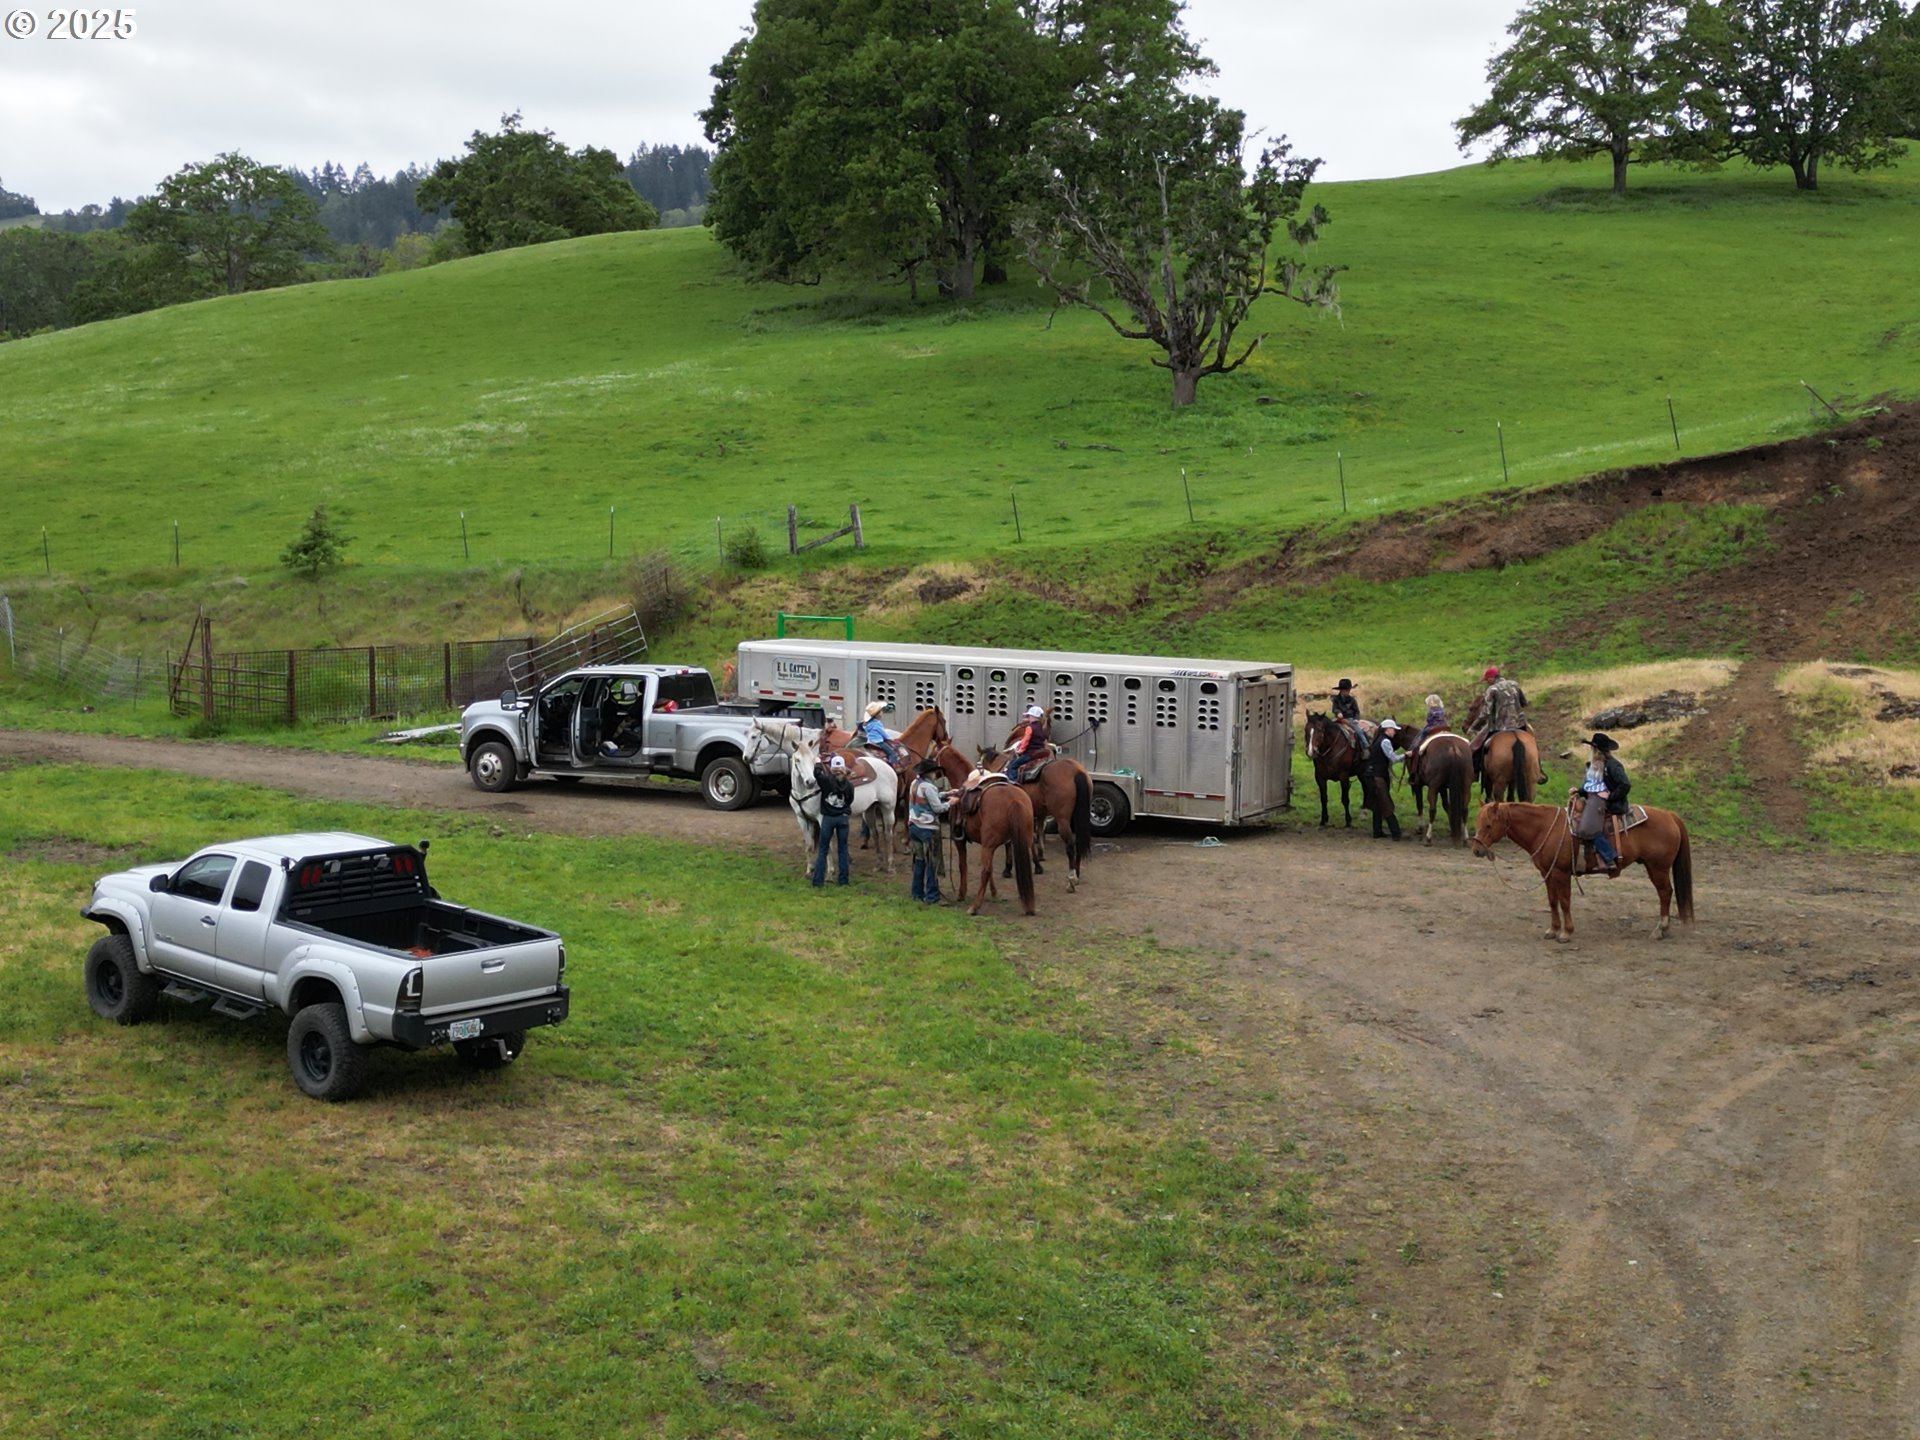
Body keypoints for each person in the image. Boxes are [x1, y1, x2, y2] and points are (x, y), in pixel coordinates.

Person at [1572, 733, 1629, 876]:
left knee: (1586, 828)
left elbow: (1625, 785)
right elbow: (1590, 786)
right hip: (1592, 798)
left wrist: (1610, 796)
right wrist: (1578, 791)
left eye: (1592, 748)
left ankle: (1609, 856)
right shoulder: (1592, 765)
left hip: (1603, 801)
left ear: (1597, 750)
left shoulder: (1613, 765)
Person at [907, 757, 952, 904]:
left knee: (919, 861)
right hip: (928, 829)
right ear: (930, 773)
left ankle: (916, 893)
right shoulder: (930, 787)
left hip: (914, 826)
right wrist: (950, 803)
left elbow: (926, 798)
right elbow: (938, 808)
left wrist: (946, 794)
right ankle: (932, 896)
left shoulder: (915, 784)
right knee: (933, 862)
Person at [1470, 665, 1529, 775]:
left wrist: (1475, 726)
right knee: (1532, 742)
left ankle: (1475, 770)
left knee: (1477, 746)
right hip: (1519, 724)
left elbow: (1486, 712)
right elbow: (1524, 702)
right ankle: (1538, 770)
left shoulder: (1492, 689)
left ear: (1492, 678)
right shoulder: (1514, 684)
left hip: (1499, 726)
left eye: (1487, 680)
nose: (1487, 682)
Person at [811, 754, 854, 887]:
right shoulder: (849, 785)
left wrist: (818, 762)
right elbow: (850, 800)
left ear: (831, 769)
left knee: (823, 849)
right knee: (842, 849)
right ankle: (843, 880)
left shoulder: (826, 781)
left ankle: (818, 881)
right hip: (842, 819)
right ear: (843, 768)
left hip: (828, 819)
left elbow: (817, 773)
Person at [1364, 717, 1405, 840]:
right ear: (1388, 730)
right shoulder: (1385, 742)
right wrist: (1406, 755)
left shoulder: (1378, 740)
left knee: (1377, 804)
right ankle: (1396, 833)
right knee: (1386, 804)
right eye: (1393, 729)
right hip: (1378, 776)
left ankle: (1377, 831)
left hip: (1371, 775)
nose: (1395, 732)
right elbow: (1393, 758)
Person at [1006, 705, 1050, 784]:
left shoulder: (1030, 728)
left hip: (1030, 753)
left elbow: (1025, 741)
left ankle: (1013, 783)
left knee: (1012, 765)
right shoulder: (1041, 727)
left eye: (1029, 716)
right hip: (1039, 751)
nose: (1028, 718)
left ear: (1033, 716)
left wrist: (1020, 750)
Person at [856, 701, 904, 766]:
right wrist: (891, 739)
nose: (882, 713)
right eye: (881, 711)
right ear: (877, 714)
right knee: (892, 753)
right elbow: (883, 733)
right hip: (879, 742)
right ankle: (891, 767)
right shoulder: (877, 723)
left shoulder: (867, 724)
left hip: (870, 741)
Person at [1331, 678, 1367, 756]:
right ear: (1341, 690)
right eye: (1346, 690)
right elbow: (1334, 709)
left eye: (1348, 690)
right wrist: (1338, 712)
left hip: (1350, 719)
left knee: (1359, 731)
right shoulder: (1336, 699)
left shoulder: (1352, 700)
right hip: (1339, 719)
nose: (1348, 692)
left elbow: (1356, 712)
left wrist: (1356, 719)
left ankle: (1365, 746)